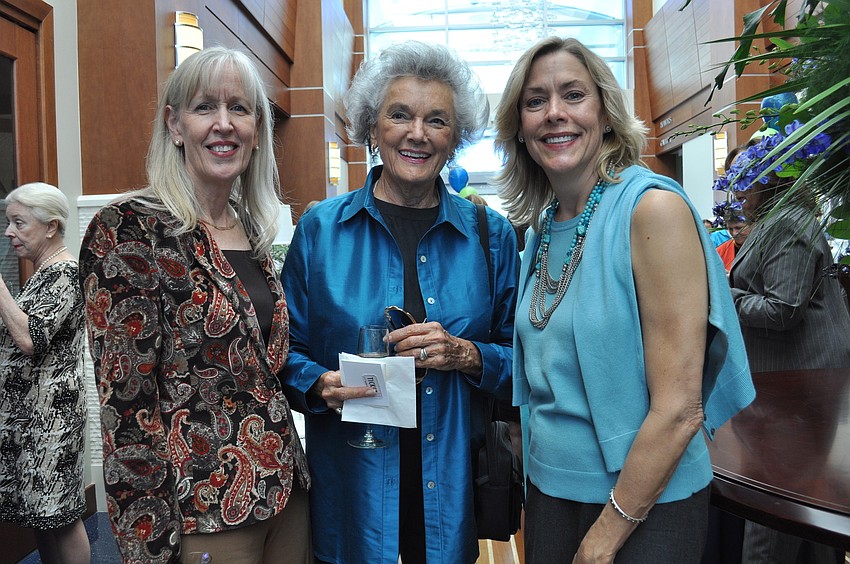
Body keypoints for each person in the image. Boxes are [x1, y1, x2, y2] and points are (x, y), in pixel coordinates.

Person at [493, 37, 754, 563]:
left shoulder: (651, 210)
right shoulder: (543, 226)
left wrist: (607, 533)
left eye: (573, 95)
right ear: (519, 127)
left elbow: (680, 408)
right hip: (550, 495)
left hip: (644, 504)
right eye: (535, 101)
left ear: (606, 114)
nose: (555, 114)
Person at [281, 41, 519, 563]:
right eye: (399, 115)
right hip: (352, 491)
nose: (417, 133)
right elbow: (282, 353)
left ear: (455, 139)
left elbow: (525, 358)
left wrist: (467, 355)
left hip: (450, 491)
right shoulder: (321, 231)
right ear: (372, 128)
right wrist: (318, 385)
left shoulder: (490, 235)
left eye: (437, 120)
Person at [78, 47, 310, 563]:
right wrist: (148, 548)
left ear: (258, 130)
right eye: (206, 107)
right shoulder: (128, 231)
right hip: (201, 511)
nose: (224, 125)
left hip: (288, 496)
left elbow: (257, 368)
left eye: (240, 109)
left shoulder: (251, 229)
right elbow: (127, 414)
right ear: (175, 124)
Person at [724, 137, 850, 564]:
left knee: (774, 508)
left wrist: (726, 296)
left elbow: (782, 310)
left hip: (801, 387)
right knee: (807, 504)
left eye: (746, 176)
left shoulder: (789, 223)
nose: (736, 186)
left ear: (773, 177)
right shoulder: (775, 222)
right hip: (795, 383)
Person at [0, 182, 90, 564]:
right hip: (31, 416)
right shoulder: (42, 272)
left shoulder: (65, 272)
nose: (9, 233)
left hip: (52, 417)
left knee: (61, 515)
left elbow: (30, 338)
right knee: (42, 515)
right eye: (9, 223)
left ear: (51, 226)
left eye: (20, 223)